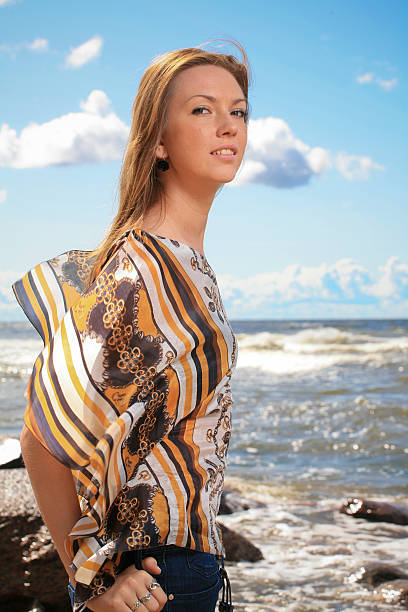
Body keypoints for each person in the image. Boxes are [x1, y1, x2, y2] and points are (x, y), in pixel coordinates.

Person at [12, 38, 250, 612]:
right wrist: (91, 584)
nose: (228, 125)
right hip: (158, 578)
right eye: (202, 109)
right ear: (159, 141)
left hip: (186, 569)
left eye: (238, 111)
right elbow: (41, 441)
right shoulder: (141, 272)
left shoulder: (182, 261)